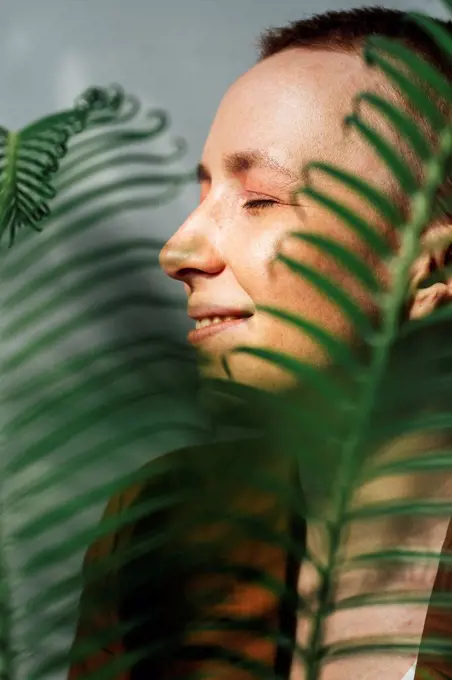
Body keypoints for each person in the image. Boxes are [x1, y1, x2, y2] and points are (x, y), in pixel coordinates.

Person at [67, 6, 452, 680]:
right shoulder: (162, 527)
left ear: (430, 270)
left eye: (259, 199)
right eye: (206, 191)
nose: (179, 249)